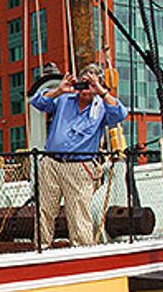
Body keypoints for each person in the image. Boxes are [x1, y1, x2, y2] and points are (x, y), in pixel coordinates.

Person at [29, 63, 128, 247]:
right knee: (44, 210)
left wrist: (100, 90)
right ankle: (41, 248)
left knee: (78, 213)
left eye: (90, 84)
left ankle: (82, 250)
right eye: (83, 83)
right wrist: (59, 90)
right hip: (51, 163)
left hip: (80, 166)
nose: (85, 89)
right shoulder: (65, 99)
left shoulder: (102, 107)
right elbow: (37, 102)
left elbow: (120, 114)